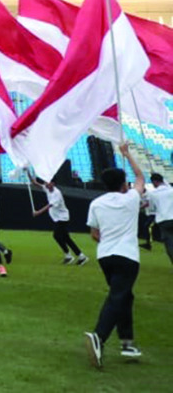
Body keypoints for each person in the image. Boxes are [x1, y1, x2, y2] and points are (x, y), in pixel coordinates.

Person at [83, 142, 146, 369]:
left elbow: (94, 234)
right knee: (118, 296)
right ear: (123, 184)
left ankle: (127, 342)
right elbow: (141, 178)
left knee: (124, 296)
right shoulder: (130, 199)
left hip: (105, 256)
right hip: (127, 255)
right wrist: (127, 153)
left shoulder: (96, 203)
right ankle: (99, 337)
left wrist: (109, 238)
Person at [31, 177, 87, 265]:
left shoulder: (57, 193)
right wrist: (27, 172)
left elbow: (49, 205)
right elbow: (35, 183)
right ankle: (80, 256)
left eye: (48, 182)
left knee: (56, 235)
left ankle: (70, 256)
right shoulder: (48, 188)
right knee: (66, 238)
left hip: (62, 218)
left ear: (53, 184)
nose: (46, 184)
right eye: (45, 182)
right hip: (57, 218)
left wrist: (38, 212)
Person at [146, 172, 173, 265]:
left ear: (155, 182)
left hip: (163, 221)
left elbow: (152, 209)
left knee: (170, 244)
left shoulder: (152, 194)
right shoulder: (171, 190)